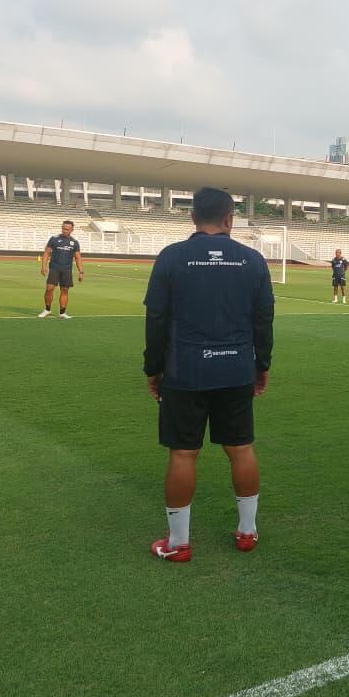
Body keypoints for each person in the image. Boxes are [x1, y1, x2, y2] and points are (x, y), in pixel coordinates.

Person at [143, 187, 275, 562]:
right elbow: (263, 319)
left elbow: (156, 319)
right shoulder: (252, 260)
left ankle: (178, 543)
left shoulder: (172, 257)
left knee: (184, 453)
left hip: (185, 370)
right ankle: (247, 532)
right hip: (235, 368)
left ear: (192, 217)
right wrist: (261, 365)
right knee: (241, 448)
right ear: (230, 218)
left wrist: (153, 369)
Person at [39, 220, 84, 318]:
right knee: (49, 289)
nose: (65, 231)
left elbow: (78, 258)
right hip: (54, 268)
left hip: (67, 270)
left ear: (72, 230)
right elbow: (46, 253)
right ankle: (47, 310)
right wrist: (43, 266)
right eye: (63, 228)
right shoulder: (54, 239)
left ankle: (62, 313)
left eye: (67, 229)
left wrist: (81, 272)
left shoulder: (75, 243)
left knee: (64, 290)